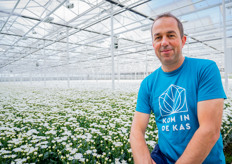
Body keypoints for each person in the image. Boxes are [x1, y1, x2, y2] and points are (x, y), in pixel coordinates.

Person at [130, 13, 227, 164]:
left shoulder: (205, 69)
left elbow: (209, 131)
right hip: (163, 158)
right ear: (153, 43)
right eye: (158, 37)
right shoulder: (148, 84)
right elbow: (136, 130)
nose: (164, 42)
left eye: (170, 35)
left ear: (183, 41)